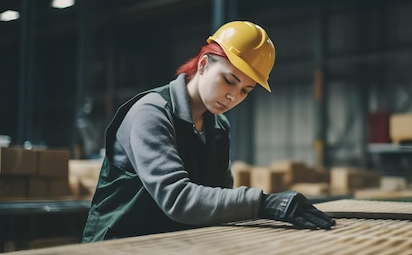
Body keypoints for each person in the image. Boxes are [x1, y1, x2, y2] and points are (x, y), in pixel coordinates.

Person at [82, 21, 335, 242]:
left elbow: (219, 197)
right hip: (118, 245)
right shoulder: (151, 113)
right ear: (203, 65)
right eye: (229, 80)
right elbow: (177, 198)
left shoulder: (218, 127)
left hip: (169, 244)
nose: (233, 96)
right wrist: (264, 203)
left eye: (245, 91)